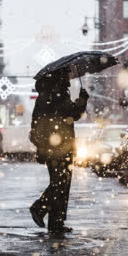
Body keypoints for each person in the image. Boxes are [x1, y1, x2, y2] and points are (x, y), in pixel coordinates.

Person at [29, 70, 89, 233]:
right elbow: (74, 114)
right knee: (61, 184)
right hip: (60, 148)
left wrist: (42, 145)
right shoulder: (58, 95)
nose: (69, 80)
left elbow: (36, 123)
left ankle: (56, 223)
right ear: (60, 80)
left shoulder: (45, 97)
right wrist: (82, 100)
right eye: (67, 77)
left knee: (60, 184)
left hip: (52, 148)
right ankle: (40, 208)